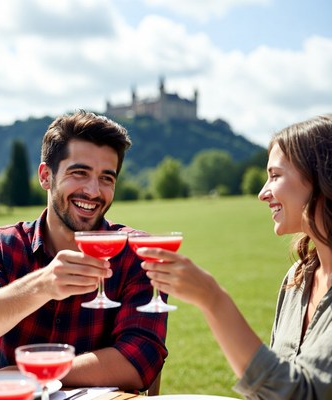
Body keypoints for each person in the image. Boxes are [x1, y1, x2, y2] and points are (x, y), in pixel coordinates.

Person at [0, 110, 168, 391]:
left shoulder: (137, 253)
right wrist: (42, 286)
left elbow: (140, 361)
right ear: (46, 176)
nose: (94, 191)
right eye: (79, 173)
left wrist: (34, 374)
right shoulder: (3, 245)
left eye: (106, 178)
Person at [136, 114, 332, 399]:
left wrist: (213, 299)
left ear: (321, 178)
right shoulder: (299, 277)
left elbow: (300, 393)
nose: (262, 193)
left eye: (275, 176)